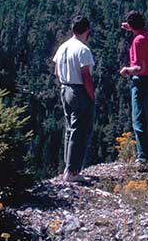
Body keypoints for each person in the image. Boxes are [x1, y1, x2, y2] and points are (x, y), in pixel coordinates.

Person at [53, 15, 95, 182]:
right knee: (80, 131)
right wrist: (91, 96)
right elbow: (86, 76)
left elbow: (56, 71)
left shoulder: (63, 47)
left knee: (70, 129)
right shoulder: (83, 49)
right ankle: (73, 172)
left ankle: (68, 167)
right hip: (78, 91)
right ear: (87, 30)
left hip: (64, 88)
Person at [119, 10, 148, 169]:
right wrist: (132, 28)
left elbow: (139, 68)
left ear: (131, 25)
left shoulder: (138, 41)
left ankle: (143, 158)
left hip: (142, 81)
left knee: (139, 119)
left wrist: (126, 70)